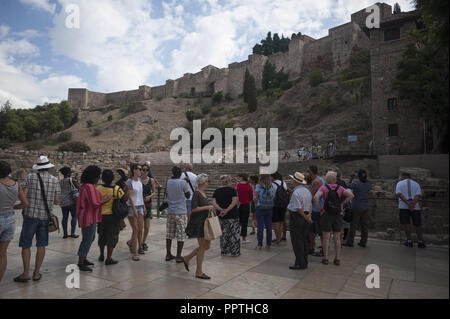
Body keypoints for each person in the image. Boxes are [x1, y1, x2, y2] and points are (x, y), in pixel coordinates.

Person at [15, 156, 60, 283]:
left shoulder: (30, 177)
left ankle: (25, 273)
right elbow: (56, 201)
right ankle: (36, 273)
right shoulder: (54, 180)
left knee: (26, 244)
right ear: (48, 167)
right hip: (45, 217)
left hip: (30, 216)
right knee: (41, 244)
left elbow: (23, 195)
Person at [313, 171, 354, 266]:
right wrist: (342, 204)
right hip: (338, 214)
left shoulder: (324, 188)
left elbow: (315, 198)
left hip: (326, 214)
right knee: (337, 237)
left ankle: (326, 258)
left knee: (326, 237)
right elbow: (351, 195)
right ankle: (337, 258)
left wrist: (320, 209)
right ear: (335, 179)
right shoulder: (340, 188)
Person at [76, 166, 110, 272]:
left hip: (86, 216)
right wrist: (107, 200)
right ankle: (81, 262)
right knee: (87, 239)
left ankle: (84, 258)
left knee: (90, 238)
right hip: (88, 217)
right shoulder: (89, 187)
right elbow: (95, 203)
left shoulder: (84, 186)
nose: (99, 178)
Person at [0, 161, 28, 282]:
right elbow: (25, 204)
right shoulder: (16, 185)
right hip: (10, 220)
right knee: (2, 253)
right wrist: (13, 207)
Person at [183, 174, 213, 279]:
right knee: (202, 247)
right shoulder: (196, 193)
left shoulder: (202, 193)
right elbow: (193, 209)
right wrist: (207, 207)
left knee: (206, 246)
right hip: (199, 223)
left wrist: (208, 208)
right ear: (203, 182)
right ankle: (199, 272)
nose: (208, 183)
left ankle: (187, 258)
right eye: (207, 181)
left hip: (204, 222)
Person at [97, 169, 129, 265]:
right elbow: (124, 199)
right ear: (112, 178)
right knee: (112, 237)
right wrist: (127, 189)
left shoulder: (98, 188)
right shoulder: (116, 189)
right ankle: (109, 258)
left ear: (102, 178)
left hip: (101, 216)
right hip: (113, 216)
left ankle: (101, 255)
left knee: (101, 235)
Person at [287, 172, 312, 270]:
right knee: (304, 239)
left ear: (296, 181)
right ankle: (303, 261)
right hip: (305, 215)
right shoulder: (307, 191)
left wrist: (306, 217)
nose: (292, 181)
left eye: (293, 180)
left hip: (297, 216)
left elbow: (298, 208)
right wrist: (309, 215)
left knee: (297, 241)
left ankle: (300, 263)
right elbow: (309, 205)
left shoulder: (296, 192)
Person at [165, 166, 190, 263]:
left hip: (171, 210)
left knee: (169, 234)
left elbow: (168, 193)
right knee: (181, 234)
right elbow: (188, 195)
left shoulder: (168, 182)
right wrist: (186, 183)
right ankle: (178, 256)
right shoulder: (183, 182)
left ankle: (168, 254)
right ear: (180, 173)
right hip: (181, 211)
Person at [395, 172, 425, 248]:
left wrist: (408, 203)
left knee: (406, 224)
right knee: (418, 224)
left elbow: (399, 194)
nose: (401, 178)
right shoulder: (416, 184)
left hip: (403, 206)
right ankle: (420, 242)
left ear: (404, 176)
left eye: (401, 177)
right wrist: (413, 204)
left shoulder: (399, 183)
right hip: (415, 207)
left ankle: (409, 241)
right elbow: (418, 195)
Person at [343, 169, 372, 248]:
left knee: (353, 225)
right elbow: (368, 185)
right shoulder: (368, 185)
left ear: (358, 176)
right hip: (365, 207)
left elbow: (347, 186)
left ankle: (350, 241)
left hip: (356, 207)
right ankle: (363, 242)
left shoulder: (355, 184)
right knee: (364, 226)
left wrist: (352, 178)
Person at [212, 175, 239, 257]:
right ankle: (235, 251)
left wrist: (221, 210)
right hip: (232, 214)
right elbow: (234, 201)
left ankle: (224, 250)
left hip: (221, 215)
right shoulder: (232, 190)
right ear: (229, 181)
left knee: (223, 233)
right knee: (234, 233)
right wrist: (227, 210)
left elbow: (213, 202)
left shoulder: (217, 191)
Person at [126, 164, 145, 260]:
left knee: (141, 229)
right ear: (134, 170)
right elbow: (129, 196)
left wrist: (144, 206)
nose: (141, 171)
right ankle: (135, 253)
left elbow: (141, 195)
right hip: (131, 207)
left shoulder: (140, 181)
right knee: (136, 230)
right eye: (140, 169)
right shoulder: (129, 182)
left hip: (140, 206)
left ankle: (132, 243)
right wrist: (134, 209)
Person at [254, 174, 275, 250]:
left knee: (260, 227)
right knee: (269, 227)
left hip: (260, 208)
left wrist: (256, 206)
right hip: (269, 208)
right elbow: (273, 197)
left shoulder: (258, 186)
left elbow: (256, 198)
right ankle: (268, 245)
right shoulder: (271, 186)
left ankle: (260, 245)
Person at [59, 167, 80, 239]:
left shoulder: (61, 181)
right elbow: (79, 188)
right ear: (68, 173)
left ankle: (65, 234)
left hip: (63, 201)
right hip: (71, 201)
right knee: (74, 216)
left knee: (65, 217)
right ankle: (72, 233)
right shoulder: (71, 180)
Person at [308, 165, 324, 256]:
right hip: (320, 207)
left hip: (315, 209)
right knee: (316, 230)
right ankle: (318, 247)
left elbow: (312, 196)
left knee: (313, 230)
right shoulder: (321, 179)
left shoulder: (316, 182)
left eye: (309, 171)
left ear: (312, 171)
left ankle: (312, 247)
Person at [141, 163, 156, 251]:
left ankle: (143, 242)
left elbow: (154, 191)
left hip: (148, 204)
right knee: (139, 227)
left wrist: (149, 196)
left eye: (147, 170)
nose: (145, 171)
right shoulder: (138, 180)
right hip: (140, 204)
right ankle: (137, 242)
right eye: (143, 170)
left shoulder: (151, 180)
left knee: (146, 226)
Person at [271, 172, 288, 245]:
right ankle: (280, 237)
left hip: (275, 205)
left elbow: (271, 196)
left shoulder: (272, 184)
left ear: (273, 177)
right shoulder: (283, 183)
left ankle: (277, 239)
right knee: (281, 222)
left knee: (275, 223)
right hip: (283, 205)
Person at [236, 173, 253, 243]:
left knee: (237, 222)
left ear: (242, 178)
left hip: (238, 205)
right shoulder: (249, 186)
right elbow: (251, 197)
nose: (238, 178)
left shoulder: (237, 185)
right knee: (244, 222)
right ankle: (243, 238)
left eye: (239, 177)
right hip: (246, 204)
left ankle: (236, 237)